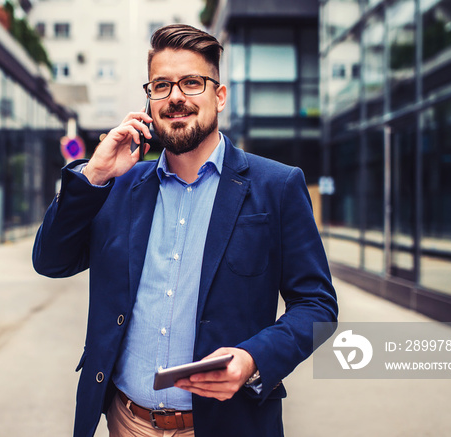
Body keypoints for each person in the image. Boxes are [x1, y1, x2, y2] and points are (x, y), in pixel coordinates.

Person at [33, 24, 338, 437]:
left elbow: (318, 307)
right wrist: (94, 174)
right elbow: (51, 260)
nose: (175, 96)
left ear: (219, 95)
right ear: (149, 100)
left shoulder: (277, 186)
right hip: (127, 422)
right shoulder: (118, 186)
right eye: (161, 85)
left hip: (227, 426)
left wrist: (253, 360)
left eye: (192, 82)